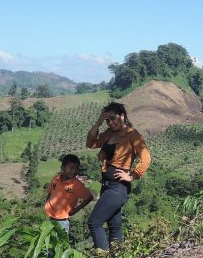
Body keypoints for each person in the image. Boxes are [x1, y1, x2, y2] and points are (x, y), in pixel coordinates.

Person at [85, 102, 151, 250]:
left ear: (123, 116)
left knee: (94, 223)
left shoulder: (133, 135)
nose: (111, 122)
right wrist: (98, 122)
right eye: (108, 120)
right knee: (114, 226)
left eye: (113, 118)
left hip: (118, 188)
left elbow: (146, 158)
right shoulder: (109, 133)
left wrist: (133, 175)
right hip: (107, 186)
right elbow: (90, 143)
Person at [44, 154, 94, 234]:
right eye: (71, 168)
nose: (74, 171)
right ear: (63, 168)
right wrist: (46, 204)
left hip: (62, 220)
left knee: (61, 243)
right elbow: (50, 192)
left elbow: (89, 197)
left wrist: (75, 210)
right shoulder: (55, 179)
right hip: (50, 216)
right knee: (48, 242)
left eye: (76, 168)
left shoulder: (76, 184)